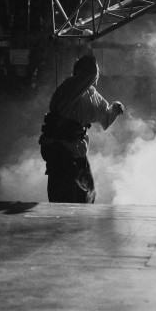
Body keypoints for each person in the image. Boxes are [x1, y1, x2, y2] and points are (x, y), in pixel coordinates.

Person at [39, 53, 124, 203]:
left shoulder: (92, 94)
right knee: (64, 198)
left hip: (77, 152)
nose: (97, 76)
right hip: (61, 152)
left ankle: (81, 224)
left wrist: (115, 109)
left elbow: (105, 119)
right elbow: (90, 73)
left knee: (87, 194)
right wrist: (88, 51)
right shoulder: (69, 88)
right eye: (95, 71)